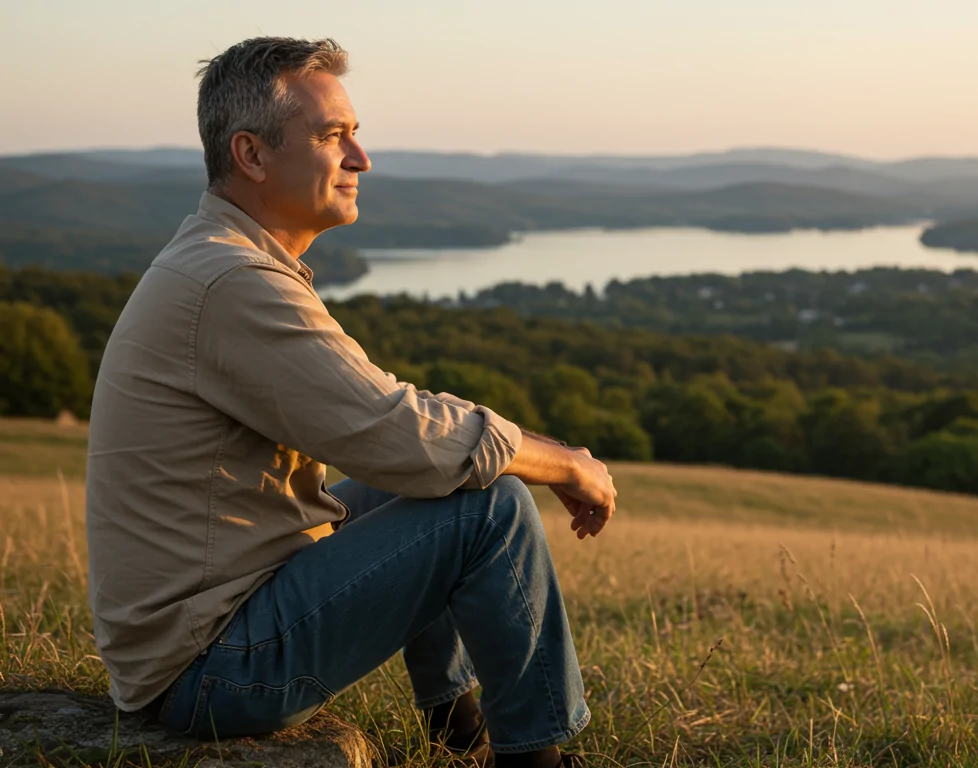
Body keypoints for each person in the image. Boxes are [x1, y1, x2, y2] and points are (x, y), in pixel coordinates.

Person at [84, 36, 614, 768]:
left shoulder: (226, 257)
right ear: (253, 155)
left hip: (208, 632)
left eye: (354, 135)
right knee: (488, 505)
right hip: (210, 670)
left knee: (428, 485)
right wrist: (566, 463)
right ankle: (535, 758)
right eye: (334, 137)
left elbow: (393, 440)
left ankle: (454, 727)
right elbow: (399, 431)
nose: (361, 160)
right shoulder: (232, 281)